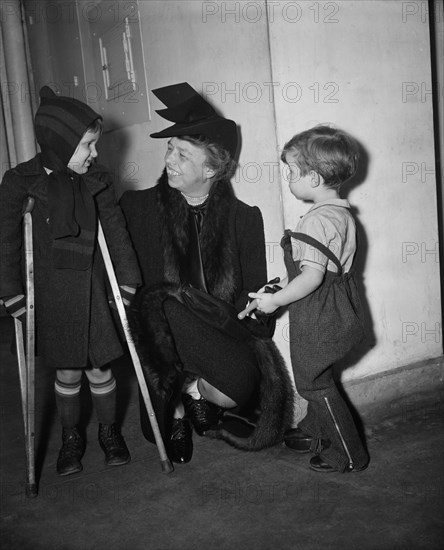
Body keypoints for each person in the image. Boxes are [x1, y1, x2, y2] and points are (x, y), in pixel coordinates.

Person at [120, 82, 294, 464]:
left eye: (182, 153)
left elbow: (250, 291)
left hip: (217, 331)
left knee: (239, 389)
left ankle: (195, 391)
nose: (169, 160)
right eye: (169, 149)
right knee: (164, 302)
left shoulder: (245, 218)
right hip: (163, 333)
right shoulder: (138, 208)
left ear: (212, 167)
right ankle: (177, 411)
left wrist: (263, 305)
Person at [0, 86, 142, 476]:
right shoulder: (18, 181)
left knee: (101, 368)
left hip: (94, 288)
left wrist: (128, 279)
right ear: (59, 145)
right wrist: (10, 291)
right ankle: (70, 437)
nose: (94, 154)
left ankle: (109, 431)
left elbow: (116, 230)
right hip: (49, 290)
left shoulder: (97, 179)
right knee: (66, 370)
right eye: (86, 147)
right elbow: (6, 241)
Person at [242, 125, 369, 473]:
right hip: (336, 310)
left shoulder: (316, 221)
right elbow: (310, 269)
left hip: (319, 316)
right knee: (318, 375)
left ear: (313, 178)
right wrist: (277, 287)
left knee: (314, 383)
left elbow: (311, 277)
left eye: (292, 171)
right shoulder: (339, 214)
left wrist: (277, 301)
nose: (288, 178)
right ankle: (316, 431)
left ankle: (347, 453)